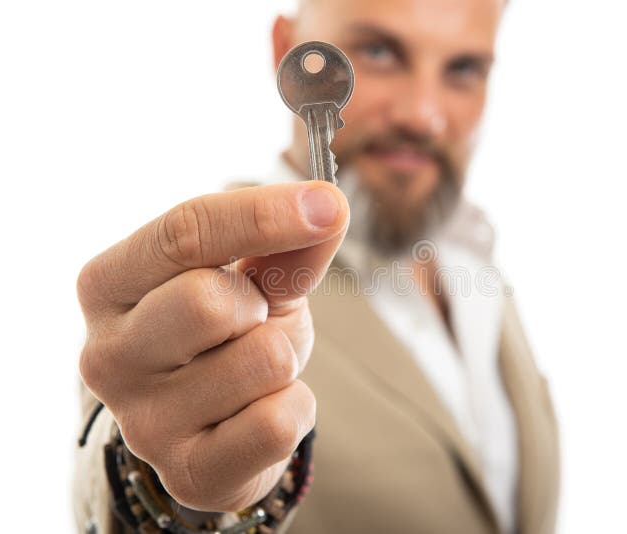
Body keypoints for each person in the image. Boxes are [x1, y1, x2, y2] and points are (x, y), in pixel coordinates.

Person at [73, 0, 559, 532]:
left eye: (463, 69)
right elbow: (138, 469)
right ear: (288, 49)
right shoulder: (205, 288)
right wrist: (163, 490)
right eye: (378, 51)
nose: (423, 113)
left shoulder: (479, 272)